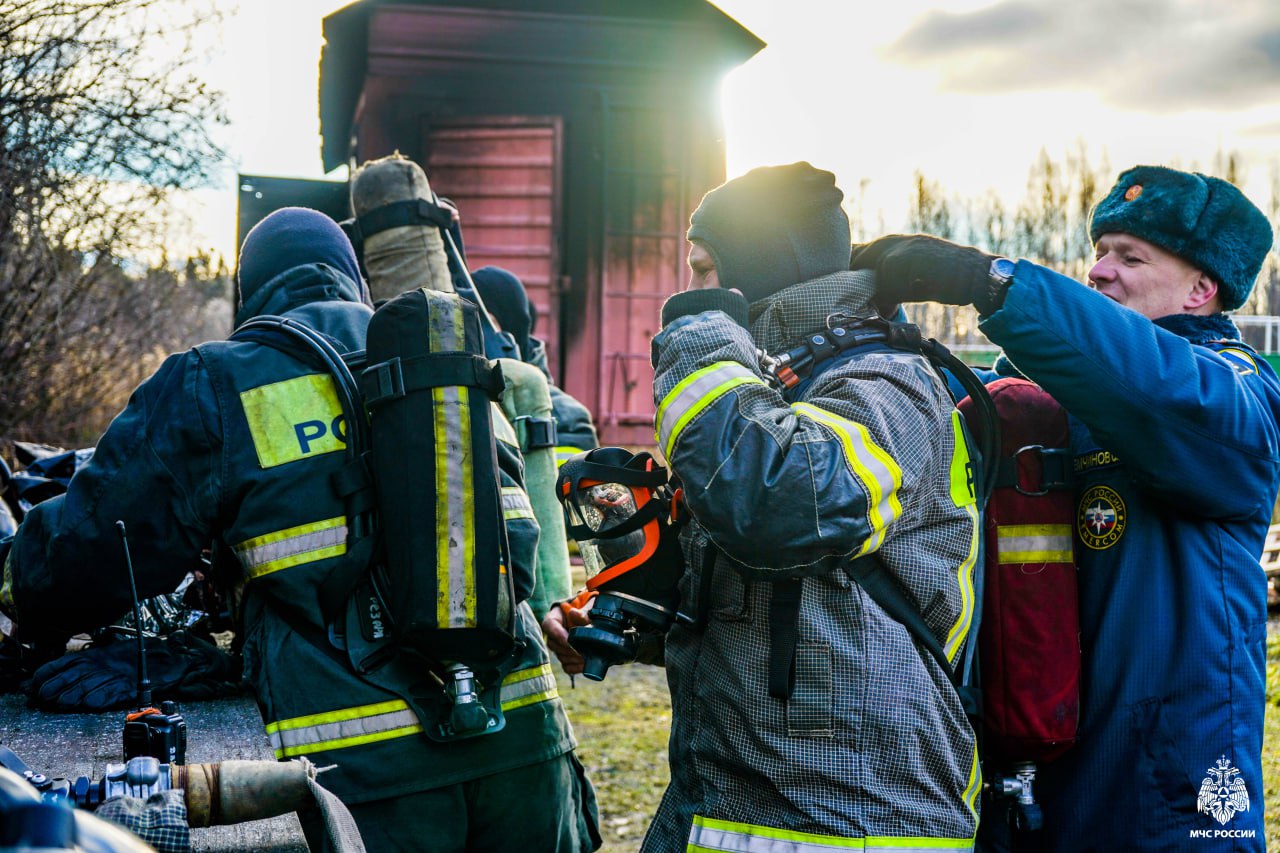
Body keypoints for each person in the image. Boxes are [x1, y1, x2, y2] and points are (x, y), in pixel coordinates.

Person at [0, 207, 600, 852]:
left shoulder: (215, 382)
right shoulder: (453, 369)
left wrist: (18, 587)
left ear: (249, 295)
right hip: (527, 748)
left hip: (368, 776)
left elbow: (88, 553)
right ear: (354, 281)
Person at [546, 162, 982, 850]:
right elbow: (790, 608)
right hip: (734, 805)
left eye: (703, 269)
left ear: (752, 269)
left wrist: (698, 336)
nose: (689, 291)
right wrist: (631, 625)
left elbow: (778, 507)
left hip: (848, 818)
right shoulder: (772, 392)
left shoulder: (883, 381)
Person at [851, 164, 1278, 851]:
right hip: (1027, 778)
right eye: (1099, 251)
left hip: (1167, 793)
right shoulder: (1044, 396)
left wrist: (992, 284)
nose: (1101, 270)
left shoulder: (1238, 392)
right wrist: (875, 334)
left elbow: (1163, 392)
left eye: (1130, 256)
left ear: (1203, 289)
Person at [471, 265, 600, 466]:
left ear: (514, 329)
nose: (475, 337)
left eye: (488, 325)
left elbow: (563, 493)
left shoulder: (567, 420)